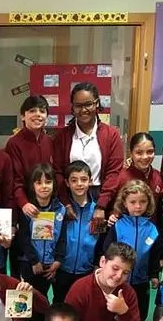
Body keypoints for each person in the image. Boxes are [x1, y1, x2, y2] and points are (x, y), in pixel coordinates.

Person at [53, 82, 124, 234]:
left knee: (96, 241)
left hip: (101, 196)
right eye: (78, 105)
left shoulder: (111, 135)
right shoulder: (63, 136)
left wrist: (101, 206)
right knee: (69, 241)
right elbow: (57, 172)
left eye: (88, 104)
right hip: (70, 197)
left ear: (97, 103)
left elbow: (113, 173)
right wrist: (66, 203)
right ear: (72, 107)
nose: (83, 110)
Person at [104, 179, 159, 321]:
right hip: (119, 280)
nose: (138, 206)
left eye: (143, 202)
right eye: (133, 202)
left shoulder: (152, 229)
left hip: (141, 280)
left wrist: (154, 274)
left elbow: (154, 255)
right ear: (124, 203)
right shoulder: (117, 225)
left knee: (140, 311)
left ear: (149, 203)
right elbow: (107, 250)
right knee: (115, 312)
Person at [17, 163, 66, 311]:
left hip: (50, 265)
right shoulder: (27, 209)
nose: (44, 186)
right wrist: (34, 260)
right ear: (32, 186)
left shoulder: (60, 209)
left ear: (54, 184)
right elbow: (23, 238)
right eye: (39, 182)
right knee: (27, 298)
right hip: (30, 264)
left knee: (44, 300)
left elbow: (62, 238)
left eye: (48, 182)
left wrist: (58, 260)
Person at [52, 161, 100, 304]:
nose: (79, 184)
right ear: (67, 183)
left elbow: (100, 241)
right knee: (60, 303)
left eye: (84, 179)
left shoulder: (97, 211)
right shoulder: (61, 209)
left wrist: (97, 263)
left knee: (83, 304)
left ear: (90, 181)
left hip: (86, 269)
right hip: (63, 268)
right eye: (74, 180)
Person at [5, 94, 53, 218]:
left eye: (42, 111)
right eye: (32, 111)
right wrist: (24, 203)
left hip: (48, 204)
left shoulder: (49, 141)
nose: (37, 114)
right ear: (23, 116)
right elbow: (15, 179)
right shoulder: (14, 143)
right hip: (24, 207)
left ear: (46, 116)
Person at [116, 132, 163, 214]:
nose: (145, 157)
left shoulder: (158, 176)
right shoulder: (120, 178)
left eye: (150, 152)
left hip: (152, 226)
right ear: (131, 153)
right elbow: (113, 209)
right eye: (139, 153)